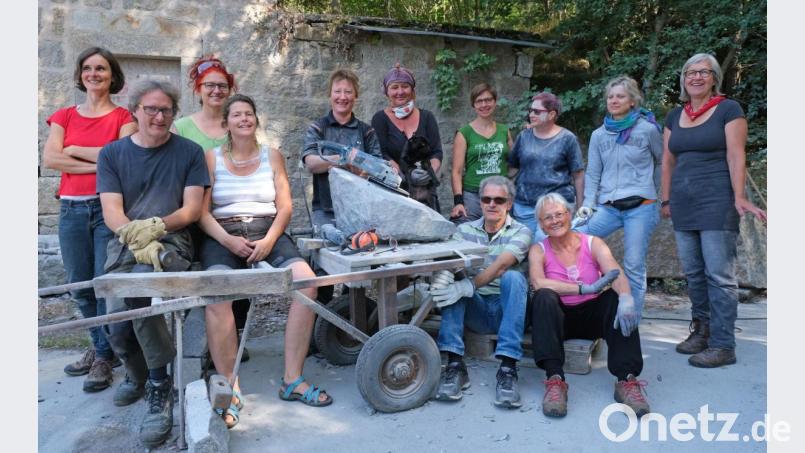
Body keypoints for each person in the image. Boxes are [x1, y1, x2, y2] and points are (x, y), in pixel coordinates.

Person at [199, 94, 331, 427]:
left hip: (267, 230)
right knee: (217, 292)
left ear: (256, 120)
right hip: (223, 233)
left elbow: (285, 207)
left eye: (249, 114)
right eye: (237, 115)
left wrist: (269, 240)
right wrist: (228, 240)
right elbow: (201, 212)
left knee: (307, 284)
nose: (244, 119)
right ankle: (231, 386)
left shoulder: (272, 156)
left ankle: (292, 379)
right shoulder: (211, 158)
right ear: (226, 122)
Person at [97, 80, 209, 448]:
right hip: (125, 242)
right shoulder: (112, 154)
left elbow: (192, 209)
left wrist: (158, 226)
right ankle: (137, 373)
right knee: (115, 324)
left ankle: (159, 389)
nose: (159, 116)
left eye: (165, 110)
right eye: (151, 109)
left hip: (173, 240)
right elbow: (112, 211)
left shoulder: (190, 152)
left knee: (139, 292)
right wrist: (136, 233)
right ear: (136, 111)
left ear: (174, 114)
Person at [661, 53, 766, 368]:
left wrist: (739, 196)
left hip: (717, 200)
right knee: (693, 273)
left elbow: (736, 155)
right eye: (690, 72)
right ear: (683, 79)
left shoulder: (728, 109)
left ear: (714, 77)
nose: (696, 77)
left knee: (719, 275)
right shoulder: (674, 115)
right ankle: (702, 331)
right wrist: (665, 200)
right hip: (683, 202)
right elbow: (668, 161)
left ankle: (723, 344)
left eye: (703, 72)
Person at [43, 46, 136, 392]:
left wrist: (75, 149)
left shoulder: (124, 118)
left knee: (102, 284)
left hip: (105, 208)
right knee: (78, 285)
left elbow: (123, 159)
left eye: (101, 68)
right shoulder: (64, 115)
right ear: (80, 75)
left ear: (113, 76)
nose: (93, 73)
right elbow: (51, 158)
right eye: (87, 68)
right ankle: (103, 349)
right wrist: (101, 164)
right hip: (70, 208)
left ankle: (101, 356)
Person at [528, 193, 649, 418]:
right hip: (559, 319)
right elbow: (538, 282)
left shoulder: (593, 243)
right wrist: (584, 288)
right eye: (547, 218)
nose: (554, 221)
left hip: (591, 315)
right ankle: (555, 381)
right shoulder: (539, 249)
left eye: (559, 214)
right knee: (543, 296)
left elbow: (615, 272)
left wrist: (626, 297)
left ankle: (627, 380)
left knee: (615, 298)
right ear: (541, 225)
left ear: (570, 215)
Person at [431, 176, 531, 408]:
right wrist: (445, 276)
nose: (492, 204)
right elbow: (452, 262)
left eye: (499, 199)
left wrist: (470, 284)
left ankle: (508, 369)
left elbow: (501, 266)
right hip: (476, 309)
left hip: (509, 310)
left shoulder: (522, 231)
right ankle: (455, 365)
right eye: (487, 199)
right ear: (480, 202)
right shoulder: (463, 231)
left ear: (509, 203)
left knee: (514, 277)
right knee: (454, 280)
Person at [575, 75, 663, 334]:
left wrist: (657, 195)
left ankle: (631, 319)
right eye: (611, 96)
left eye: (620, 96)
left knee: (634, 263)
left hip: (641, 206)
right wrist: (587, 204)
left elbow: (661, 162)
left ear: (633, 101)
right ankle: (584, 299)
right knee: (573, 236)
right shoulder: (599, 135)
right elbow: (592, 173)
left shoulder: (647, 129)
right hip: (608, 207)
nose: (614, 100)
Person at [302, 68, 382, 229]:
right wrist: (343, 158)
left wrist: (365, 169)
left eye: (348, 92)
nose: (342, 97)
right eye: (337, 91)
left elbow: (378, 168)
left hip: (361, 208)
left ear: (355, 96)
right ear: (330, 95)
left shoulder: (367, 131)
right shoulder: (318, 128)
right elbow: (311, 163)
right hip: (325, 211)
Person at [507, 92, 585, 239]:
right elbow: (512, 168)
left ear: (551, 115)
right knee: (522, 249)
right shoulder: (524, 136)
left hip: (554, 208)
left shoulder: (567, 139)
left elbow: (578, 175)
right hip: (525, 205)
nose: (531, 114)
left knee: (544, 249)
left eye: (537, 111)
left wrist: (580, 206)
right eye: (530, 111)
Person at [371, 63, 443, 210]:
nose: (400, 92)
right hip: (395, 191)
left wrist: (429, 172)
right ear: (387, 91)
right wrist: (403, 177)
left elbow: (436, 152)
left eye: (405, 86)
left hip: (426, 193)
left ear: (412, 90)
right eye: (394, 87)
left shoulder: (427, 117)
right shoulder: (379, 119)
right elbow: (381, 153)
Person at [450, 83, 513, 223]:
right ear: (473, 104)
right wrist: (458, 202)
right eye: (479, 101)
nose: (484, 104)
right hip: (473, 196)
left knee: (499, 237)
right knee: (469, 240)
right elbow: (457, 171)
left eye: (488, 100)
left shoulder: (504, 131)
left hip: (499, 195)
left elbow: (514, 162)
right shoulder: (464, 133)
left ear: (495, 102)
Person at [172, 56, 236, 151]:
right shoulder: (181, 128)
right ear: (198, 90)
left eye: (222, 86)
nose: (217, 91)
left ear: (230, 91)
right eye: (210, 85)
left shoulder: (238, 124)